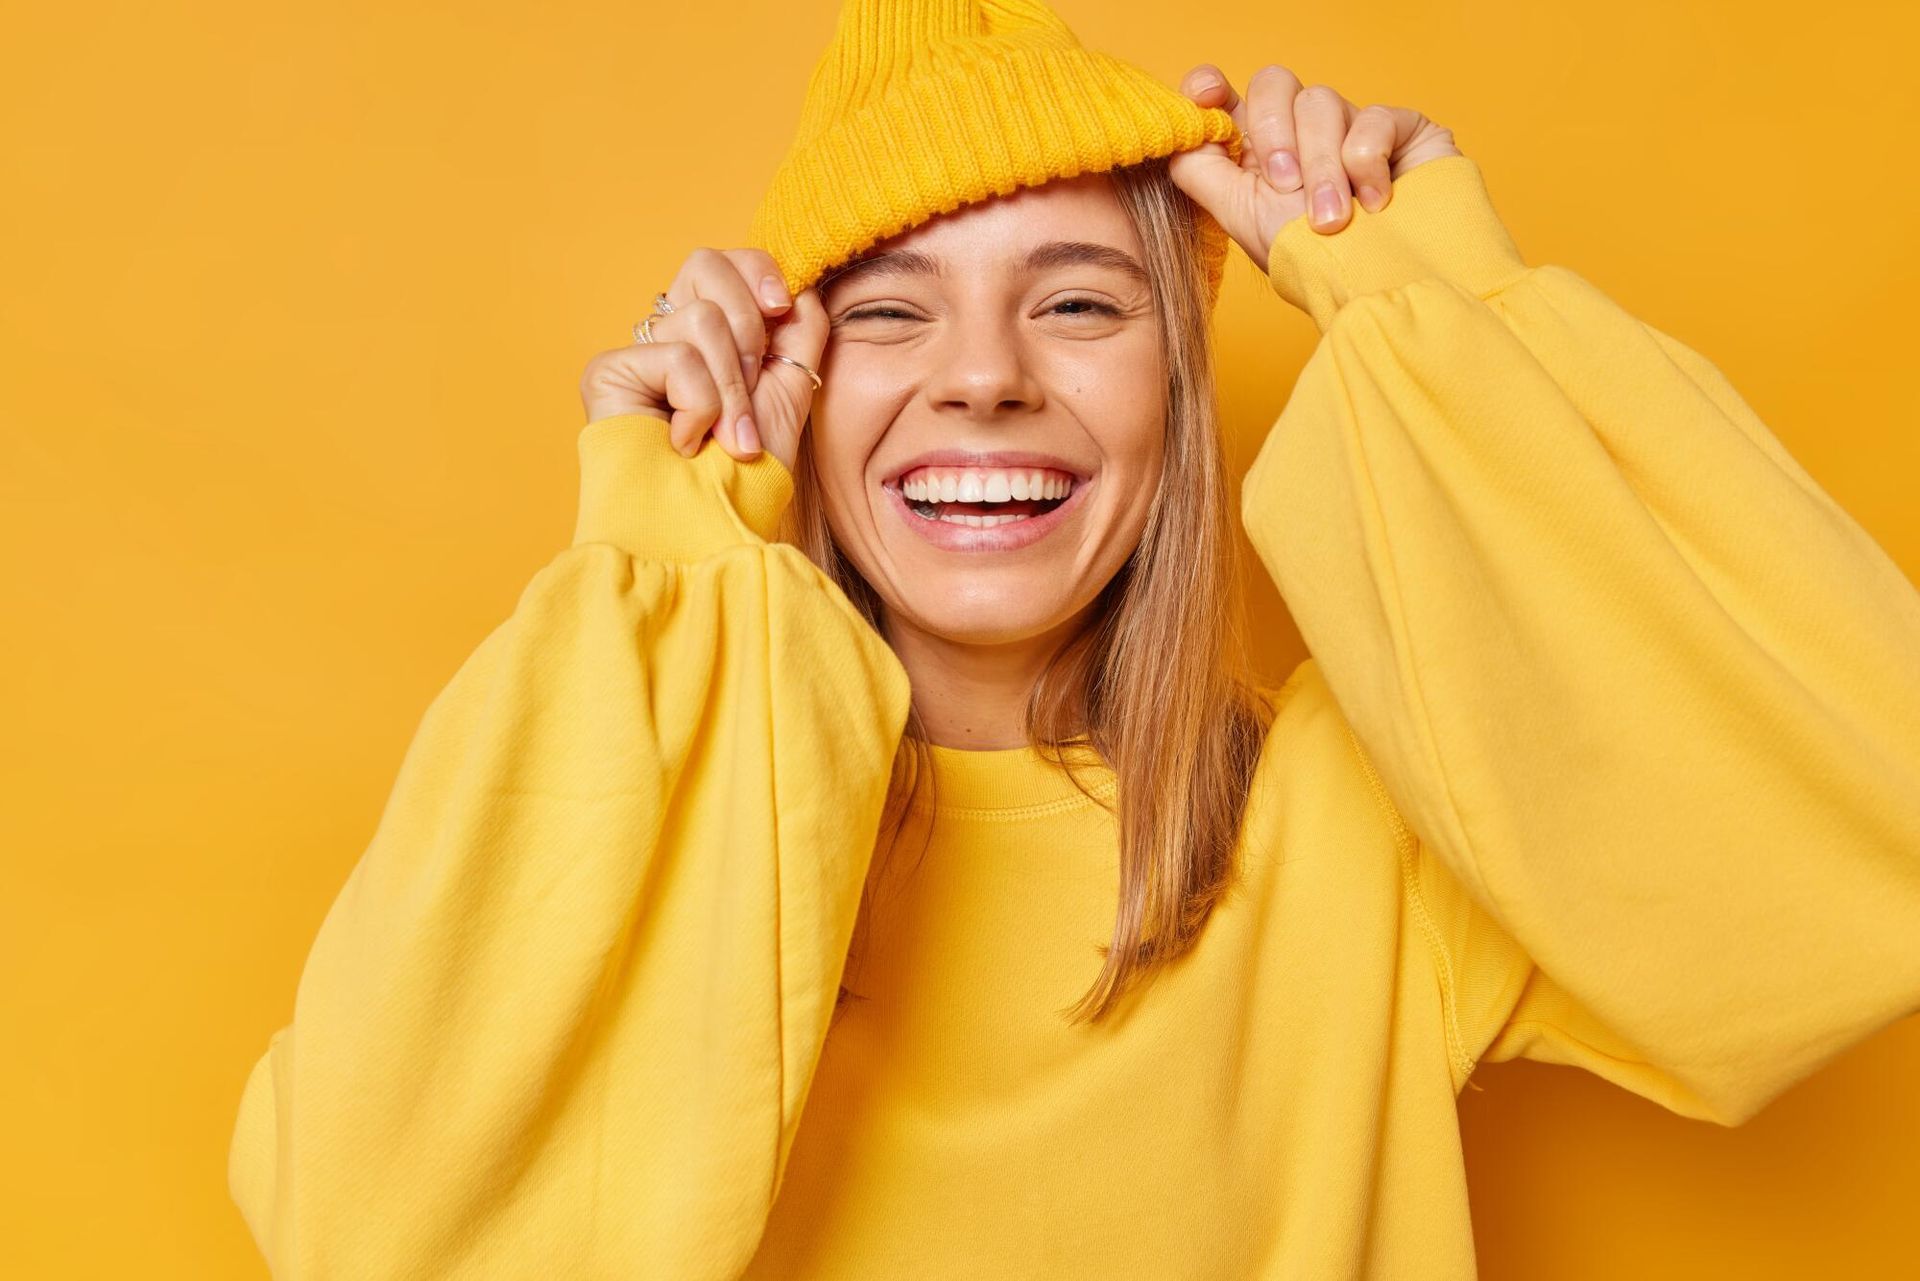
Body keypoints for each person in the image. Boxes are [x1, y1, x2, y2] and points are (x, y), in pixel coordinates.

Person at [226, 1, 1920, 1277]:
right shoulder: (678, 833)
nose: (983, 376)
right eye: (890, 308)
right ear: (796, 411)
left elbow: (1859, 848)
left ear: (1180, 394)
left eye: (1083, 300)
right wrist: (660, 556)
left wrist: (1425, 302)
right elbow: (371, 1234)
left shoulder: (1373, 814)